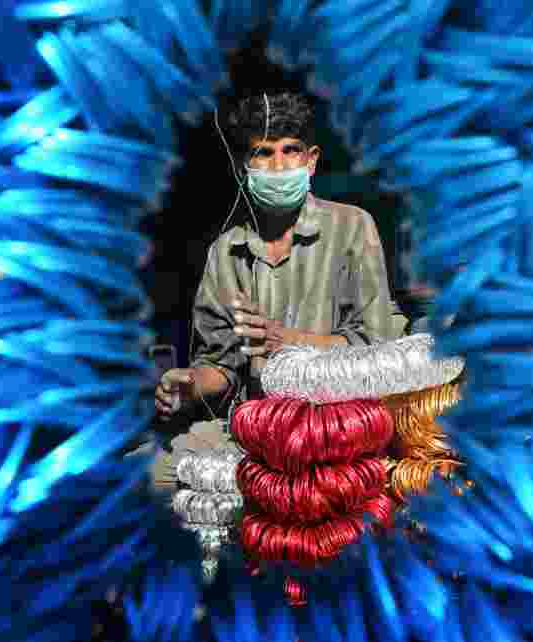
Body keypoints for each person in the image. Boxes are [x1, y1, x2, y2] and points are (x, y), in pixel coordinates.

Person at [146, 90, 408, 489]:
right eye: (263, 153)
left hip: (337, 428)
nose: (279, 165)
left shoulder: (352, 227)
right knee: (149, 477)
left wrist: (285, 342)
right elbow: (222, 365)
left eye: (291, 150)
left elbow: (378, 346)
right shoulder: (226, 251)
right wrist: (192, 386)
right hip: (253, 432)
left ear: (312, 161)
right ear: (243, 166)